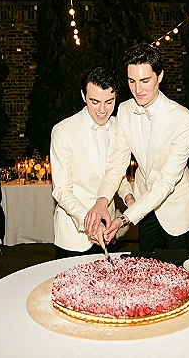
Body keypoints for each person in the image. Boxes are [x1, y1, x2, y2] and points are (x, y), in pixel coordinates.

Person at [84, 43, 189, 253]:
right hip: (143, 202)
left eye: (145, 81)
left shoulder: (185, 120)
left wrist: (124, 219)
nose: (138, 89)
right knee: (146, 269)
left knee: (177, 273)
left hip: (176, 205)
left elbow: (166, 181)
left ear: (160, 76)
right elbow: (117, 162)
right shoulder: (125, 110)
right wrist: (102, 201)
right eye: (132, 81)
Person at [50, 66, 135, 259]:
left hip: (107, 230)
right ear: (83, 96)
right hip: (74, 233)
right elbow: (61, 190)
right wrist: (90, 221)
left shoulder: (118, 127)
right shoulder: (63, 131)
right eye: (95, 102)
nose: (102, 110)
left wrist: (129, 197)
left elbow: (116, 174)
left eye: (109, 102)